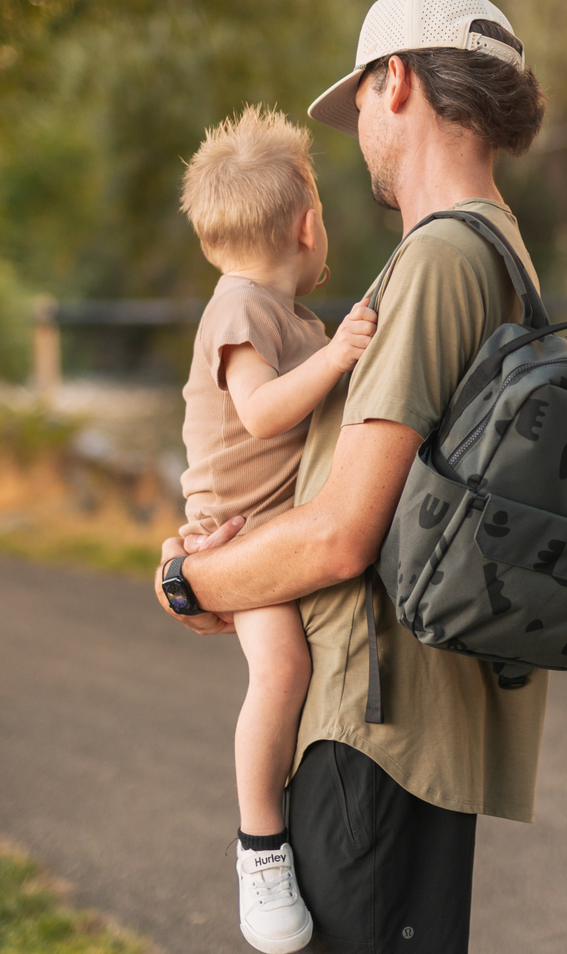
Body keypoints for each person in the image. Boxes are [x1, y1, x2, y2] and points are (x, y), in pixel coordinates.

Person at [156, 0, 549, 954]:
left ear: (398, 82)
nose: (361, 132)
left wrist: (189, 578)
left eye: (363, 103)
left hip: (374, 724)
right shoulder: (487, 250)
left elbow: (339, 535)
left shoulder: (440, 262)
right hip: (410, 715)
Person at [174, 105, 377, 954]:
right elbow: (259, 415)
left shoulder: (285, 316)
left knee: (299, 663)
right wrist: (337, 360)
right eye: (324, 211)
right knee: (283, 666)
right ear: (308, 224)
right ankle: (260, 844)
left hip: (270, 520)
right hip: (239, 529)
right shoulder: (239, 312)